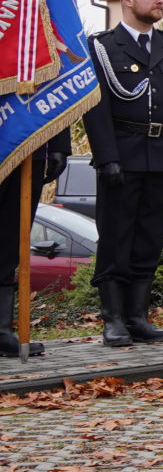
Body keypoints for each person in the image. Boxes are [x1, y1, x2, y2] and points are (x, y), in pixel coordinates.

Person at [82, 0, 163, 347]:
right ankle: (113, 319)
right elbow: (95, 108)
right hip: (122, 155)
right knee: (116, 237)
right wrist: (106, 157)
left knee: (150, 238)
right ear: (127, 0)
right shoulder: (102, 46)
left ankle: (137, 317)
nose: (160, 0)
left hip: (162, 155)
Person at [0, 129, 71, 358]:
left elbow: (57, 104)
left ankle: (2, 331)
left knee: (11, 243)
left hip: (27, 145)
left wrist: (59, 146)